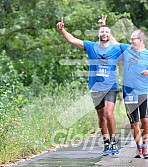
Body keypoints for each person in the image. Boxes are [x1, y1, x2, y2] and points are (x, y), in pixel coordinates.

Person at [56, 17, 121, 156]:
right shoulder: (91, 46)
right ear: (98, 34)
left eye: (107, 32)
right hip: (96, 87)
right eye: (102, 32)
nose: (104, 34)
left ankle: (114, 141)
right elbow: (73, 40)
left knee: (109, 114)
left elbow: (119, 44)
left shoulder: (115, 49)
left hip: (111, 86)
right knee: (102, 116)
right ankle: (106, 143)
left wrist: (105, 27)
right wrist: (62, 30)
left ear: (110, 35)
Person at [118, 30, 148, 159]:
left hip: (144, 92)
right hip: (129, 92)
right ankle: (139, 148)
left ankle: (145, 145)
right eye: (131, 39)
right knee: (134, 122)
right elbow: (111, 41)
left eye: (134, 39)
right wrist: (103, 25)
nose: (131, 41)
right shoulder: (127, 50)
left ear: (141, 40)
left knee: (145, 120)